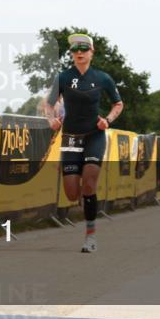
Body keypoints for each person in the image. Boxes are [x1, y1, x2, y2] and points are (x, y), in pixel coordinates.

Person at [43, 33, 124, 253]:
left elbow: (118, 104)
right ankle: (87, 201)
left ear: (92, 52)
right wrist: (51, 120)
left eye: (84, 49)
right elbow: (49, 105)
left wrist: (107, 121)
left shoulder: (103, 78)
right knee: (71, 193)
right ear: (71, 54)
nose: (79, 53)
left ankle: (90, 236)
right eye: (75, 50)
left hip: (93, 136)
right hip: (70, 136)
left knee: (89, 182)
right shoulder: (63, 77)